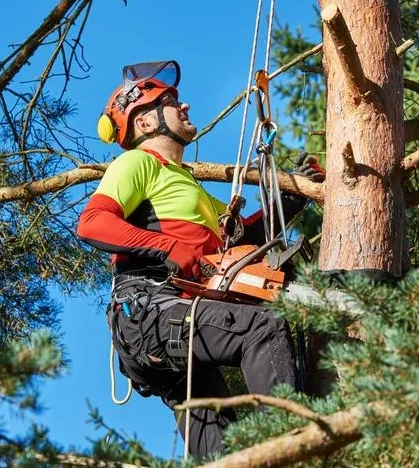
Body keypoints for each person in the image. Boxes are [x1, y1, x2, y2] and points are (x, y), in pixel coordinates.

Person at [77, 60, 325, 457]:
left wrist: (293, 197)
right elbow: (92, 223)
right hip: (150, 311)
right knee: (261, 328)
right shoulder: (139, 163)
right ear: (144, 123)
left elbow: (242, 239)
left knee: (221, 452)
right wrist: (167, 248)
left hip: (174, 327)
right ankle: (295, 451)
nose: (186, 106)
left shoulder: (189, 188)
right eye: (171, 102)